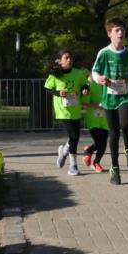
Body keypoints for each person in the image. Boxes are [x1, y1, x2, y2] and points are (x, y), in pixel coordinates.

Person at [91, 18, 128, 185]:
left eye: (122, 30)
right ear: (109, 33)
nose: (121, 33)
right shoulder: (104, 53)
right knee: (113, 132)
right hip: (109, 97)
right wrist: (100, 79)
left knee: (125, 124)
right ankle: (115, 167)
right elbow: (95, 71)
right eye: (117, 30)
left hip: (125, 95)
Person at [43, 48, 88, 176]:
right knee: (74, 136)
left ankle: (64, 151)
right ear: (60, 61)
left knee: (75, 137)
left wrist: (85, 89)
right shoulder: (55, 74)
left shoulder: (78, 73)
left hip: (75, 108)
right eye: (66, 58)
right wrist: (58, 93)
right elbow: (48, 89)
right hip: (63, 110)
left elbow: (84, 84)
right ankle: (73, 165)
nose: (69, 60)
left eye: (71, 58)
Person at [80, 70, 109, 173]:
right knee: (99, 142)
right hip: (93, 118)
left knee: (104, 143)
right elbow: (83, 104)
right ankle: (90, 153)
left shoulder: (109, 85)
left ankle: (94, 160)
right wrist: (96, 105)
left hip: (105, 118)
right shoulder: (90, 85)